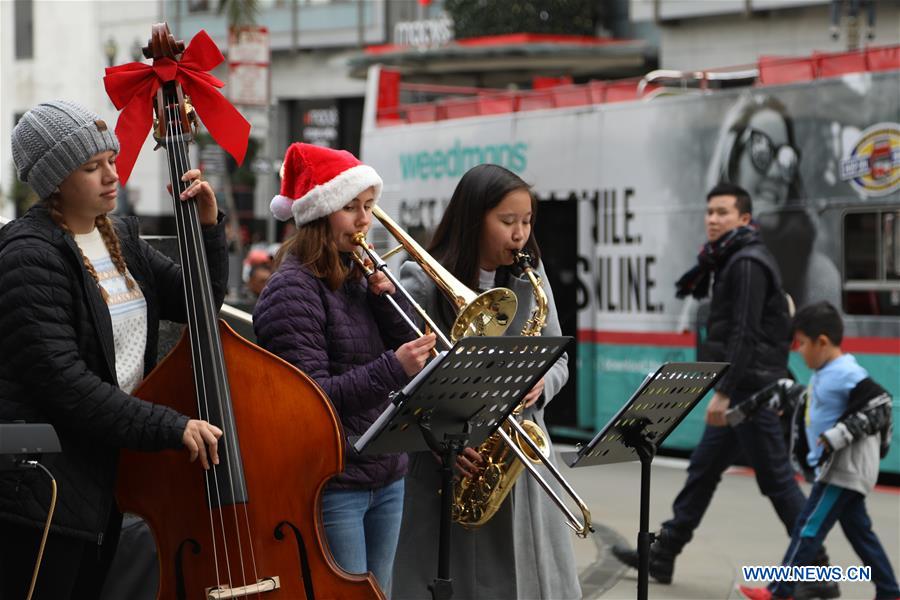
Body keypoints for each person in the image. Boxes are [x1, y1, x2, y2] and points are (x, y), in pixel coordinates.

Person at [0, 100, 226, 599]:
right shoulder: (27, 256)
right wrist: (170, 424)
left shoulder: (119, 236)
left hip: (105, 478)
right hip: (44, 491)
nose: (110, 175)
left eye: (111, 160)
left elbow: (201, 301)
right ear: (56, 179)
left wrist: (208, 230)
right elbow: (67, 384)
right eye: (91, 166)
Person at [612, 183, 838, 599]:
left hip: (752, 394)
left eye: (723, 213)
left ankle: (818, 572)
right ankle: (664, 553)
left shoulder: (746, 262)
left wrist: (724, 393)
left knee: (778, 483)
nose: (713, 219)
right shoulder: (730, 259)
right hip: (744, 390)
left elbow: (745, 333)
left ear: (745, 220)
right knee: (702, 472)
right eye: (710, 211)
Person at [252, 142, 435, 596]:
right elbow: (309, 399)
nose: (365, 220)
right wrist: (391, 369)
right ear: (320, 213)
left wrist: (386, 299)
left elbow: (405, 347)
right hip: (334, 481)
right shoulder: (290, 290)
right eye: (350, 207)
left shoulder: (355, 275)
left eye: (368, 206)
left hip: (385, 472)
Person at [392, 163, 581, 600]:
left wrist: (542, 383)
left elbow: (558, 358)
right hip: (452, 462)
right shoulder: (421, 279)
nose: (520, 234)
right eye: (508, 222)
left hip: (519, 460)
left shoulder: (532, 278)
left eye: (527, 222)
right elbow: (410, 380)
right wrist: (442, 441)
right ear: (473, 219)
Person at [739, 302, 899, 600]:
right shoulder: (827, 372)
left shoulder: (845, 372)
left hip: (842, 471)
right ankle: (890, 591)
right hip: (838, 470)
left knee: (807, 528)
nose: (797, 350)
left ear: (822, 342)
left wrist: (837, 436)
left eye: (801, 343)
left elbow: (881, 402)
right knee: (859, 532)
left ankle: (779, 590)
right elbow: (816, 405)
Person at [706, 93, 840, 309]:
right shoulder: (712, 268)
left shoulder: (817, 275)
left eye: (786, 158)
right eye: (761, 150)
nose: (777, 173)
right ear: (732, 162)